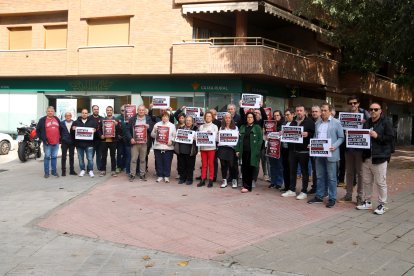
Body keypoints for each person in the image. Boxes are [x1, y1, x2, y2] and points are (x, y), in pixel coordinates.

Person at [357, 102, 394, 215]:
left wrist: (377, 136)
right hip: (367, 156)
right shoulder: (367, 122)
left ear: (380, 110)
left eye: (376, 109)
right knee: (367, 181)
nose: (373, 111)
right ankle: (367, 202)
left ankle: (382, 204)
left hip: (380, 157)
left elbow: (391, 138)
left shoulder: (386, 122)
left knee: (380, 182)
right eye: (371, 109)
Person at [308, 103, 344, 208]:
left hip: (331, 153)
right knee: (319, 176)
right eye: (322, 110)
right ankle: (319, 196)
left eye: (325, 110)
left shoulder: (336, 122)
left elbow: (341, 137)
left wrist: (335, 146)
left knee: (332, 177)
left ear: (330, 111)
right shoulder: (318, 123)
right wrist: (312, 145)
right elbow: (315, 136)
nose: (323, 112)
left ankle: (332, 198)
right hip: (319, 154)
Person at [282, 104, 315, 200]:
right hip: (292, 150)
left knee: (304, 172)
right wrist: (283, 134)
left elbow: (314, 134)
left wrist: (308, 134)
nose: (299, 112)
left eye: (301, 110)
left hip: (304, 151)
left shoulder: (309, 122)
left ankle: (304, 191)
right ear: (295, 112)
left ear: (304, 112)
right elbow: (288, 134)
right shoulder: (292, 122)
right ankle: (292, 190)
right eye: (297, 110)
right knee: (292, 171)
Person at [341, 95, 370, 205]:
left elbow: (370, 127)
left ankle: (360, 196)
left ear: (358, 104)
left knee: (360, 173)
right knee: (349, 172)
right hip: (348, 148)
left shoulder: (365, 115)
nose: (352, 105)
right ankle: (348, 195)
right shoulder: (345, 116)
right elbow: (341, 130)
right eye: (350, 103)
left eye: (354, 103)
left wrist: (365, 123)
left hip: (359, 148)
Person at [236, 112, 263, 193]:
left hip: (252, 152)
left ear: (253, 118)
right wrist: (237, 150)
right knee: (244, 168)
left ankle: (248, 186)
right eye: (248, 117)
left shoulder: (257, 127)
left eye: (251, 117)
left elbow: (260, 140)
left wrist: (257, 151)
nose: (249, 118)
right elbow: (239, 140)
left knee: (250, 168)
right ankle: (244, 185)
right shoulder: (242, 127)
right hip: (243, 151)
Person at [127, 104, 153, 182]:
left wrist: (149, 127)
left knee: (142, 159)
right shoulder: (132, 119)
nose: (141, 111)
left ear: (144, 111)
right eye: (140, 110)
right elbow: (127, 130)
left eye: (142, 110)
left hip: (144, 143)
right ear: (137, 111)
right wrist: (131, 138)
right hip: (135, 143)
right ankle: (132, 174)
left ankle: (142, 174)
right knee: (134, 159)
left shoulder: (148, 119)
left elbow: (152, 130)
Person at [36, 106, 63, 178]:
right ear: (46, 112)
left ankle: (54, 172)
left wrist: (60, 138)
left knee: (54, 157)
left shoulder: (57, 119)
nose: (50, 112)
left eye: (52, 111)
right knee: (47, 157)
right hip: (47, 143)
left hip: (56, 142)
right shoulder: (42, 120)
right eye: (49, 111)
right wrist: (43, 139)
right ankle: (47, 173)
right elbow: (38, 130)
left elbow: (61, 128)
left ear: (54, 112)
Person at [151, 112, 176, 183]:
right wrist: (155, 131)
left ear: (168, 117)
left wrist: (171, 141)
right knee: (159, 162)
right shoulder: (157, 124)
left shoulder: (172, 125)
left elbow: (174, 136)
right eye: (163, 116)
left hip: (168, 147)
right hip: (158, 147)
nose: (164, 118)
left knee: (167, 162)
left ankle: (166, 176)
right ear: (161, 117)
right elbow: (152, 135)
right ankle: (160, 175)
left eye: (166, 116)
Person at [72, 108, 98, 178]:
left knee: (90, 158)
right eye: (83, 113)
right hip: (79, 144)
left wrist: (95, 130)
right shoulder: (76, 122)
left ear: (87, 114)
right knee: (80, 158)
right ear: (81, 114)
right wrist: (73, 129)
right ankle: (82, 170)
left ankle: (90, 170)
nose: (84, 114)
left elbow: (96, 132)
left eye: (86, 113)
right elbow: (72, 133)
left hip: (89, 144)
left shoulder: (92, 122)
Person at [197, 111, 219, 188]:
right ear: (205, 117)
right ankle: (203, 179)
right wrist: (199, 150)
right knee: (204, 165)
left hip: (211, 148)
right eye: (207, 116)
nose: (208, 117)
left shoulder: (215, 126)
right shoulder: (201, 127)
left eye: (209, 116)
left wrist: (211, 134)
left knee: (211, 164)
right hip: (203, 148)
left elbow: (216, 138)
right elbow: (199, 138)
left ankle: (211, 179)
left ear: (212, 118)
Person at [217, 112, 239, 189]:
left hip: (231, 149)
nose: (227, 119)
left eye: (229, 118)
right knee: (223, 166)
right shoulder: (221, 128)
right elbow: (218, 139)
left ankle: (234, 180)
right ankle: (224, 180)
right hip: (222, 148)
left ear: (231, 119)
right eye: (226, 118)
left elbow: (237, 139)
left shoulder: (235, 128)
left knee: (233, 165)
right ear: (224, 119)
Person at [176, 116, 198, 185]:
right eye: (187, 120)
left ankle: (189, 179)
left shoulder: (196, 129)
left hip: (191, 151)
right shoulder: (180, 128)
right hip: (181, 149)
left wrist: (196, 138)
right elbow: (177, 137)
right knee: (182, 165)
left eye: (190, 120)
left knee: (190, 166)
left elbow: (199, 139)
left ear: (192, 122)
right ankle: (182, 178)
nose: (188, 122)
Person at [100, 106, 121, 177]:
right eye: (108, 110)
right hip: (104, 141)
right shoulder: (102, 120)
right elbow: (99, 129)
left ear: (112, 111)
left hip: (113, 141)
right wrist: (101, 135)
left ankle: (113, 170)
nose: (109, 111)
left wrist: (117, 125)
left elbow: (119, 131)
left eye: (110, 110)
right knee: (103, 156)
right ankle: (103, 170)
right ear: (106, 111)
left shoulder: (116, 120)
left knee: (113, 156)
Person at [267, 110, 284, 189]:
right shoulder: (270, 124)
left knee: (279, 166)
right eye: (275, 115)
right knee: (272, 165)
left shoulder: (283, 124)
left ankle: (279, 182)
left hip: (280, 148)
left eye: (278, 115)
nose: (276, 117)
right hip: (271, 148)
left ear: (281, 116)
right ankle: (273, 182)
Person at [308, 105, 322, 194]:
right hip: (313, 150)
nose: (314, 113)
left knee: (321, 171)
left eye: (316, 111)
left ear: (320, 112)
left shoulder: (322, 122)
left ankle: (321, 189)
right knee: (315, 170)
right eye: (313, 111)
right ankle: (315, 187)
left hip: (322, 150)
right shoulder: (311, 122)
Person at [280, 108, 294, 191]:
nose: (286, 116)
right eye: (285, 115)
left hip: (291, 149)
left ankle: (291, 187)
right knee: (285, 168)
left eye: (288, 115)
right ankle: (286, 186)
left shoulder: (295, 123)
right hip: (284, 148)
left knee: (291, 169)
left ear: (292, 115)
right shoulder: (284, 123)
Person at [60, 112, 76, 176]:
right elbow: (59, 132)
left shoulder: (75, 123)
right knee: (63, 157)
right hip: (64, 142)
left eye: (69, 115)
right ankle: (63, 171)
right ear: (65, 116)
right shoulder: (61, 123)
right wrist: (62, 139)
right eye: (66, 115)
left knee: (71, 157)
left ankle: (71, 171)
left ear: (71, 116)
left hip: (72, 142)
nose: (68, 117)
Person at [116, 105, 131, 175]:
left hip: (128, 139)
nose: (123, 112)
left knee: (127, 153)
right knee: (119, 153)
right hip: (120, 140)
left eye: (125, 110)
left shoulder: (131, 118)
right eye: (122, 110)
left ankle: (125, 166)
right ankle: (119, 166)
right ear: (120, 111)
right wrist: (117, 135)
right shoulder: (117, 118)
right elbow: (114, 129)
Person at [90, 105, 103, 173]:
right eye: (94, 109)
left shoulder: (102, 119)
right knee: (90, 156)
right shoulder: (89, 118)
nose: (96, 110)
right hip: (91, 141)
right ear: (92, 110)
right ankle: (89, 168)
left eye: (97, 109)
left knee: (99, 155)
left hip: (100, 141)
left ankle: (100, 168)